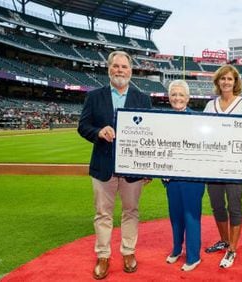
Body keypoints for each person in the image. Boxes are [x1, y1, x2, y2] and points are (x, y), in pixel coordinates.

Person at [77, 50, 152, 280]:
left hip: (132, 167)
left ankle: (128, 251)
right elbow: (83, 126)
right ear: (109, 69)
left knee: (131, 211)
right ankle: (103, 255)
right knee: (103, 213)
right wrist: (99, 132)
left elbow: (150, 134)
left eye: (124, 67)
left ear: (131, 71)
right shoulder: (94, 96)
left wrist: (147, 167)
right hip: (103, 165)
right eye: (116, 66)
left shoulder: (142, 98)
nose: (120, 70)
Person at [203, 64, 242, 268]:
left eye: (230, 79)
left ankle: (232, 248)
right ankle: (224, 240)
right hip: (213, 164)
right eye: (222, 78)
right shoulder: (210, 105)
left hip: (235, 164)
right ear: (217, 81)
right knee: (216, 205)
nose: (226, 82)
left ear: (235, 82)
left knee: (234, 206)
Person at [163, 80, 205, 271]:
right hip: (171, 178)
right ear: (169, 97)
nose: (177, 98)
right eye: (174, 94)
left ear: (188, 98)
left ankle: (194, 256)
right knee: (175, 215)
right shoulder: (161, 119)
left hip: (192, 178)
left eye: (181, 95)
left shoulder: (198, 120)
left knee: (191, 216)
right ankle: (176, 249)